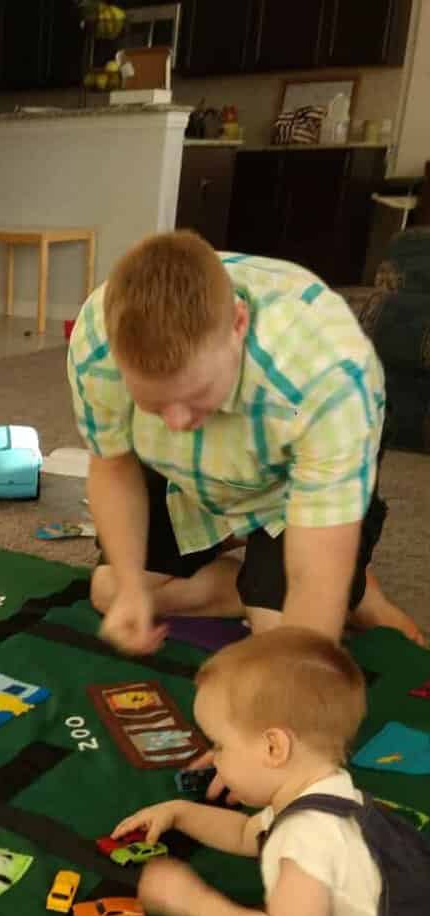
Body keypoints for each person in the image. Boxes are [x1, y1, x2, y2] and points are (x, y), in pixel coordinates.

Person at [67, 230, 423, 658]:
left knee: (281, 637)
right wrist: (130, 587)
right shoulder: (97, 340)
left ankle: (353, 588)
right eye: (155, 405)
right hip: (195, 469)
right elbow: (113, 466)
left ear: (238, 325)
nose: (177, 423)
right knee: (109, 592)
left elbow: (319, 554)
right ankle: (255, 578)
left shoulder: (328, 374)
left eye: (195, 395)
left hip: (293, 473)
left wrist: (304, 653)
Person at [109, 628, 430, 916]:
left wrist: (193, 902)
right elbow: (248, 833)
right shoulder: (328, 788)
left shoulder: (305, 838)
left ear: (274, 748)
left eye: (220, 745)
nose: (215, 759)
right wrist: (181, 812)